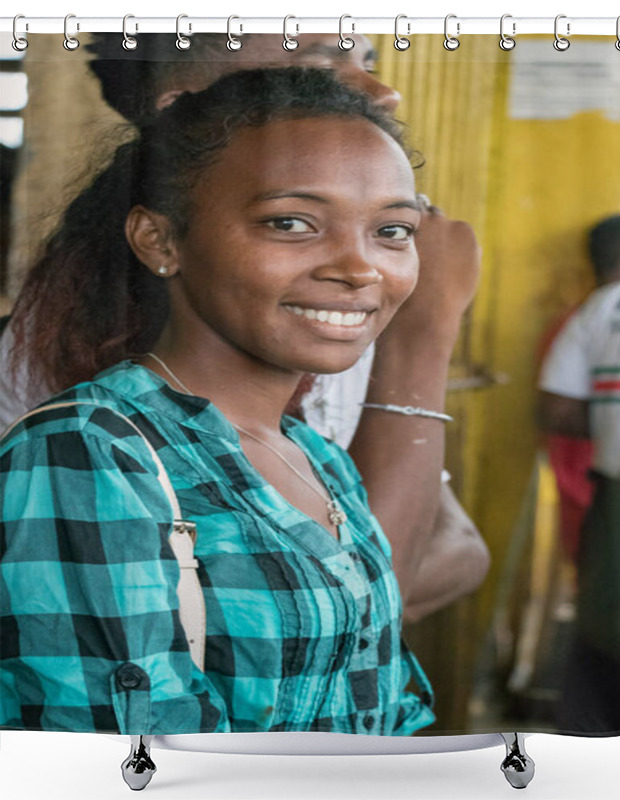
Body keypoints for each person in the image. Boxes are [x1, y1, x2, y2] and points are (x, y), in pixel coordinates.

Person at [0, 67, 478, 735]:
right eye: (291, 223)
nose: (359, 267)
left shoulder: (316, 459)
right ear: (160, 241)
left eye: (392, 231)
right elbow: (133, 765)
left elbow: (383, 715)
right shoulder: (90, 451)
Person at [537, 213, 620, 734]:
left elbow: (555, 409)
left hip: (614, 491)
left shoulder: (596, 310)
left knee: (607, 632)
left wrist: (613, 419)